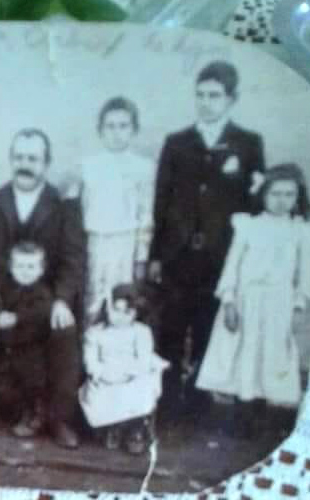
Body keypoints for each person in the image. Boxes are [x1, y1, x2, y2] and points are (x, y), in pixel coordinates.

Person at [0, 128, 86, 448]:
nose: (25, 165)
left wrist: (62, 300)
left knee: (64, 328)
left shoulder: (62, 206)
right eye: (19, 157)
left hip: (42, 299)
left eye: (33, 159)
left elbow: (73, 260)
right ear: (11, 160)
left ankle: (60, 418)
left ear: (46, 163)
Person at [148, 61, 266, 417]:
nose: (205, 102)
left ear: (232, 99)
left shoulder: (247, 144)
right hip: (178, 254)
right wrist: (156, 255)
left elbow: (254, 204)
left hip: (220, 255)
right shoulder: (177, 142)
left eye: (214, 95)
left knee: (207, 328)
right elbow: (161, 201)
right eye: (200, 95)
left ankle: (197, 404)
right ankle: (167, 402)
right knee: (171, 328)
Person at [196, 164, 309, 438]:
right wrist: (229, 300)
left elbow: (305, 273)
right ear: (263, 195)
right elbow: (232, 266)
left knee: (273, 354)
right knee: (243, 352)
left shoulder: (301, 231)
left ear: (297, 198)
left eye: (289, 195)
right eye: (275, 194)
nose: (281, 201)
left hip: (279, 301)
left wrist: (299, 305)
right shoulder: (248, 226)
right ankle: (242, 414)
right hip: (247, 299)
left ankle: (266, 417)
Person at [76, 97, 155, 322]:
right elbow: (80, 209)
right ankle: (91, 338)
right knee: (93, 296)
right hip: (95, 240)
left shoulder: (143, 167)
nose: (116, 133)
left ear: (134, 129)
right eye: (110, 126)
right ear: (100, 130)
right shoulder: (87, 166)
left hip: (125, 242)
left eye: (123, 126)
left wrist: (141, 257)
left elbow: (145, 213)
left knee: (122, 297)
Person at [78, 283, 168, 455]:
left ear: (136, 313)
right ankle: (113, 427)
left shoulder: (141, 332)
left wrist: (128, 374)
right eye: (116, 310)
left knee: (139, 388)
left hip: (131, 374)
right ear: (108, 308)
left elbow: (143, 359)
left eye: (127, 312)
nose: (120, 317)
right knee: (99, 391)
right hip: (105, 375)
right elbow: (91, 360)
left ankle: (135, 429)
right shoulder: (95, 332)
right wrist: (100, 373)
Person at [0, 241, 53, 438]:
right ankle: (14, 412)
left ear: (41, 270)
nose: (25, 272)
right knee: (8, 379)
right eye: (20, 266)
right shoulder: (5, 286)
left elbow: (42, 312)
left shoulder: (42, 292)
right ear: (11, 267)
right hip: (10, 344)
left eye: (31, 267)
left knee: (32, 378)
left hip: (32, 345)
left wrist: (17, 317)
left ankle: (36, 414)